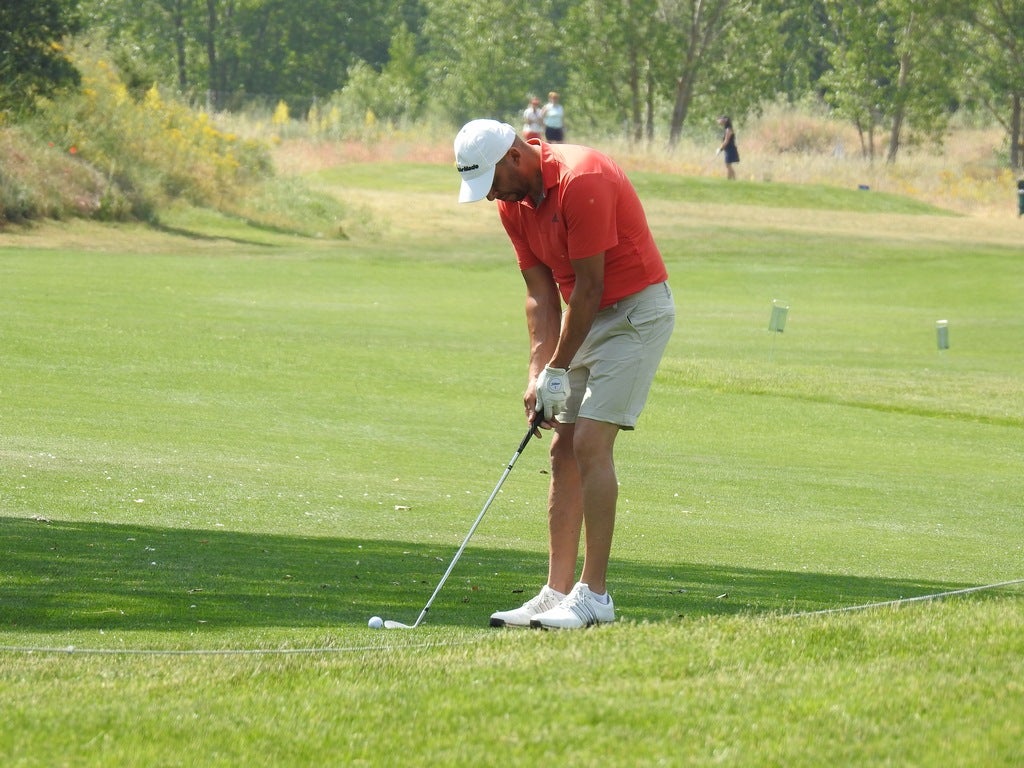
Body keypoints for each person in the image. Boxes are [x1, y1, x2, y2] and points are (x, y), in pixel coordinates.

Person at [453, 119, 675, 630]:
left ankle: (594, 596)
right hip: (585, 315)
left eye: (491, 182)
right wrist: (538, 373)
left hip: (634, 313)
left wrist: (558, 366)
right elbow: (540, 293)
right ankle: (556, 593)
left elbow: (592, 286)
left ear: (515, 155)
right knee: (560, 447)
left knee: (591, 442)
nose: (490, 197)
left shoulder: (583, 178)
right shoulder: (513, 205)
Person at [716, 115, 739, 180]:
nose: (719, 121)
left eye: (721, 119)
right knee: (728, 165)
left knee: (728, 165)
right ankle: (729, 180)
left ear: (725, 120)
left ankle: (733, 180)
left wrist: (720, 149)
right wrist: (721, 149)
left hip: (730, 149)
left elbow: (726, 141)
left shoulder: (729, 129)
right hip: (728, 149)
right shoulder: (727, 129)